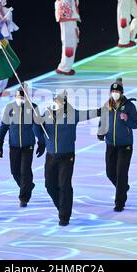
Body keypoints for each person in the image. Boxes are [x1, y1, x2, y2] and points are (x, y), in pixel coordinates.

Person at [35, 91, 100, 226]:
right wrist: (36, 124)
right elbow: (39, 131)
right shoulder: (47, 114)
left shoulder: (72, 113)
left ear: (64, 102)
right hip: (51, 155)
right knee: (49, 185)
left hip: (67, 156)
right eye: (55, 100)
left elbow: (87, 113)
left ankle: (64, 216)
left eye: (58, 101)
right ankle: (61, 207)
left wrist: (101, 111)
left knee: (64, 185)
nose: (56, 103)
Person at [0, 84, 46, 207]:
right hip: (13, 145)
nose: (20, 98)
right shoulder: (9, 108)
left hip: (28, 145)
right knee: (14, 171)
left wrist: (41, 142)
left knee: (25, 171)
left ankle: (24, 197)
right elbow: (4, 126)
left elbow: (38, 127)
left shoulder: (33, 108)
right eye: (18, 96)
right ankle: (27, 186)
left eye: (23, 96)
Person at [98, 78, 137, 212]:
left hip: (125, 145)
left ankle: (119, 202)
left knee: (121, 173)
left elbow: (136, 124)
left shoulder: (129, 106)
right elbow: (103, 121)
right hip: (110, 144)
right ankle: (122, 187)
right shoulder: (107, 105)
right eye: (113, 91)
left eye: (117, 91)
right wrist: (100, 132)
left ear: (121, 93)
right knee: (110, 172)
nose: (115, 93)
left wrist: (127, 119)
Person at [53, 0, 93, 76]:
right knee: (68, 42)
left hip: (71, 17)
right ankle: (64, 68)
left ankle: (66, 66)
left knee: (73, 40)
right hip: (66, 17)